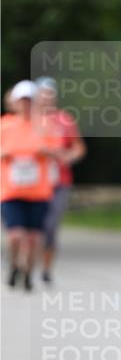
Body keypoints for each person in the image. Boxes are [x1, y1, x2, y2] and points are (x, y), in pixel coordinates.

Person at [0, 81, 60, 291]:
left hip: (38, 191)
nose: (25, 105)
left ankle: (27, 273)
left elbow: (59, 152)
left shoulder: (45, 125)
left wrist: (45, 151)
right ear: (14, 103)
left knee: (34, 238)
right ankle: (14, 264)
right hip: (11, 191)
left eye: (29, 101)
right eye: (22, 101)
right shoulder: (4, 125)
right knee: (15, 235)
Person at [34, 77, 86, 283]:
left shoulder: (65, 120)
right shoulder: (29, 120)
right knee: (32, 226)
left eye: (51, 94)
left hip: (59, 181)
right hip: (33, 182)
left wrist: (68, 156)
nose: (47, 98)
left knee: (51, 225)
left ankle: (46, 269)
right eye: (43, 93)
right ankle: (27, 263)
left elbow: (78, 147)